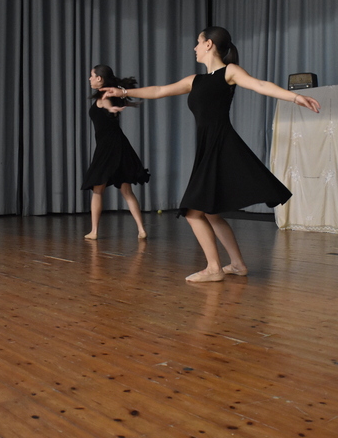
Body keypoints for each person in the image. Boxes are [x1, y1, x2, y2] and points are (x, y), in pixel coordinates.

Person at [101, 26, 320, 282]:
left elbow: (260, 85)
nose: (194, 47)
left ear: (209, 44)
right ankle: (237, 264)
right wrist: (123, 92)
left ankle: (214, 268)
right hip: (207, 147)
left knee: (192, 212)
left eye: (198, 42)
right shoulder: (195, 80)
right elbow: (159, 90)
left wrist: (294, 97)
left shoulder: (230, 72)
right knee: (211, 212)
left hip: (221, 144)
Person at [81, 65, 150, 240]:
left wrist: (111, 109)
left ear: (99, 78)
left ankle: (94, 231)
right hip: (119, 145)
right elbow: (107, 103)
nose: (90, 79)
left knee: (98, 189)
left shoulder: (105, 95)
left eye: (92, 76)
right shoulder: (110, 93)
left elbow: (105, 103)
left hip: (107, 147)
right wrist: (112, 108)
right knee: (126, 190)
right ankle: (141, 230)